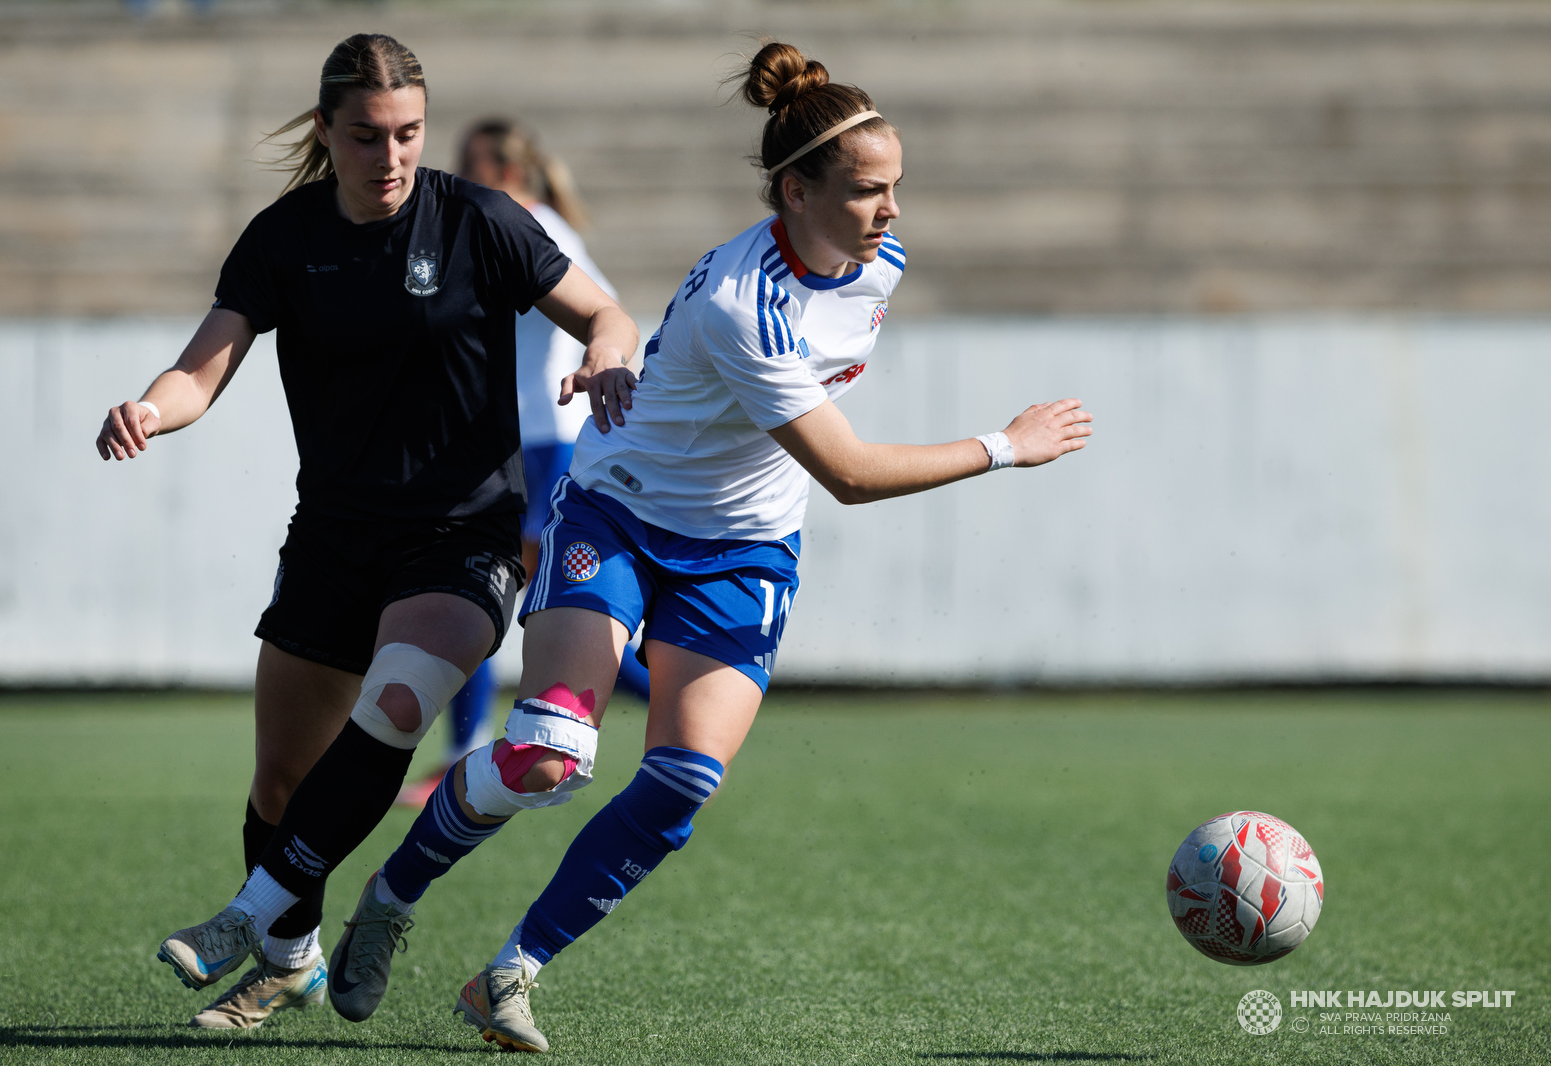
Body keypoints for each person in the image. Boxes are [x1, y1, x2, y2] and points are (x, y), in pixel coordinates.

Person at [213, 40, 1089, 1047]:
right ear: (792, 193)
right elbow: (846, 473)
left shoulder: (876, 259)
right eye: (865, 191)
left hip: (744, 551)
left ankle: (510, 969)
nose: (889, 212)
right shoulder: (738, 307)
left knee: (680, 786)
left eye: (894, 188)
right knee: (550, 753)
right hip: (620, 513)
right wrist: (1004, 447)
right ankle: (394, 894)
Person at [97, 33, 637, 1029]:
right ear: (325, 132)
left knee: (394, 705)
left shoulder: (479, 218)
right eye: (366, 136)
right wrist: (149, 408)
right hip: (335, 536)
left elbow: (603, 309)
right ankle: (290, 956)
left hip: (463, 537)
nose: (389, 158)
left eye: (408, 135)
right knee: (279, 782)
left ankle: (248, 919)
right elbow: (203, 365)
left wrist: (607, 349)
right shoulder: (282, 236)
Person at [397, 118, 650, 809]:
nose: (456, 176)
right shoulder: (490, 227)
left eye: (469, 165)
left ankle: (675, 703)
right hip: (510, 442)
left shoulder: (531, 226)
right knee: (519, 597)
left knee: (489, 591)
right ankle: (675, 707)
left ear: (505, 172)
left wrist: (600, 356)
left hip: (543, 444)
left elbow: (607, 312)